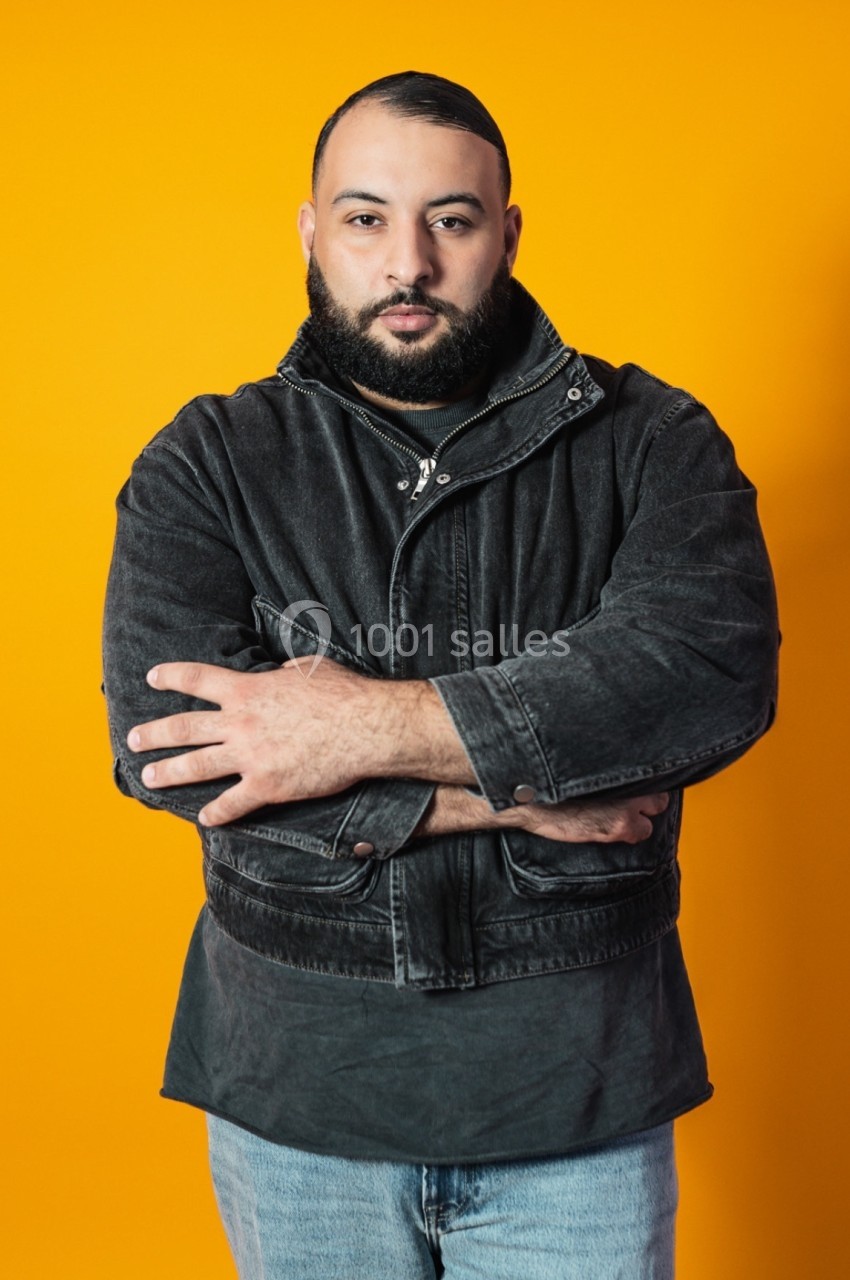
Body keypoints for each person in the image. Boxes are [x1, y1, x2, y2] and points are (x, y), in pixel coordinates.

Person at [102, 71, 779, 1279]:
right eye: (364, 218)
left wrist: (350, 725)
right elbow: (166, 742)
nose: (405, 261)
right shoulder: (206, 458)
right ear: (312, 230)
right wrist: (512, 786)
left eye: (449, 220)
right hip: (296, 1100)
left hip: (578, 1097)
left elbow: (701, 674)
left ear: (506, 233)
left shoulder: (655, 441)